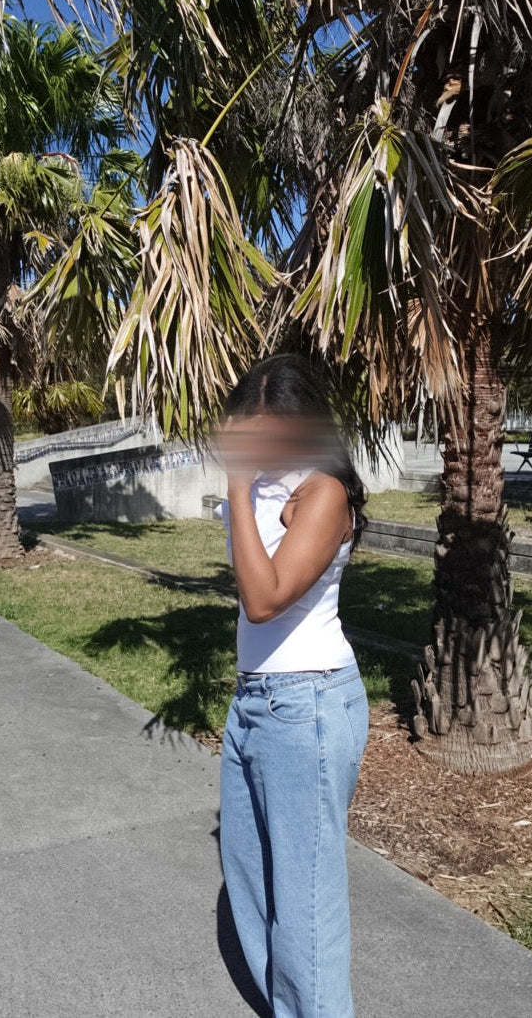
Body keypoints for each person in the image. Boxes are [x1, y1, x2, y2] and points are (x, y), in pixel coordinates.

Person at [214, 353, 369, 1018]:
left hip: (306, 704)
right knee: (249, 883)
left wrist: (235, 488)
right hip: (253, 702)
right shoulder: (265, 488)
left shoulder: (323, 491)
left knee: (304, 907)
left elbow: (263, 599)